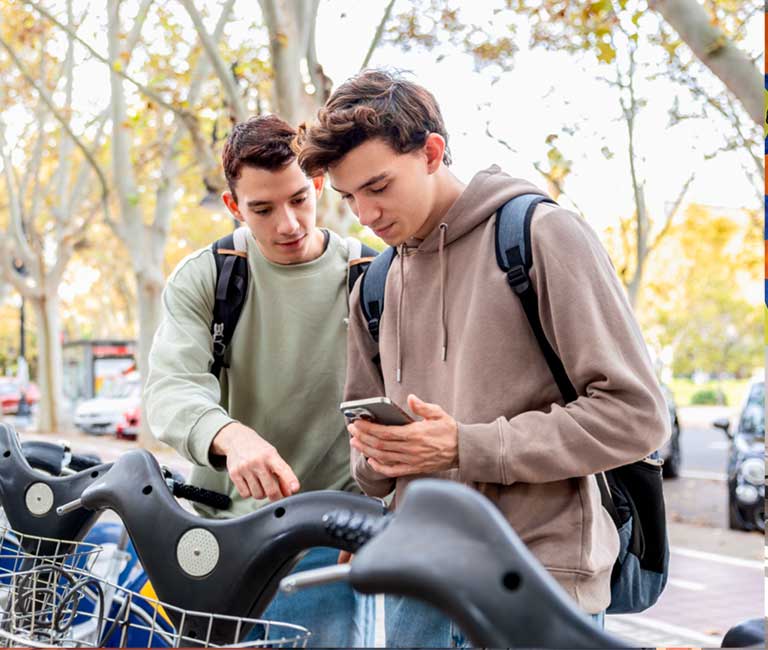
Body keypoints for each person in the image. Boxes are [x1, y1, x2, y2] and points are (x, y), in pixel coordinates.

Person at [296, 70, 670, 647]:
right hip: (417, 587)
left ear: (431, 152)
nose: (364, 215)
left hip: (536, 582)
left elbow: (636, 415)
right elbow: (369, 467)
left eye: (377, 186)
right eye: (347, 198)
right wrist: (379, 453)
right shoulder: (375, 283)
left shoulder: (542, 235)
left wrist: (464, 447)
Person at [144, 114, 373, 647]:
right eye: (263, 209)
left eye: (299, 198)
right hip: (217, 535)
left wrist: (384, 507)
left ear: (318, 183)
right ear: (233, 207)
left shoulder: (372, 276)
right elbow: (170, 387)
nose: (288, 224)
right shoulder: (208, 276)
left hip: (324, 539)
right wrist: (230, 436)